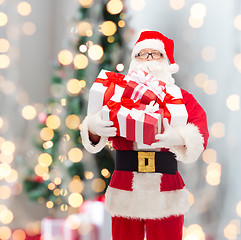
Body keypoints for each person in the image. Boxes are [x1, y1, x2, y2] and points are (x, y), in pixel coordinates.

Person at [81, 31, 209, 240]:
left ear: (167, 61)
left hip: (165, 187)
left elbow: (200, 129)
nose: (148, 59)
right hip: (125, 185)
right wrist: (94, 127)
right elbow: (94, 127)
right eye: (142, 54)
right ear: (133, 60)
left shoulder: (181, 98)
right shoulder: (117, 93)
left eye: (155, 54)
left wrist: (177, 137)